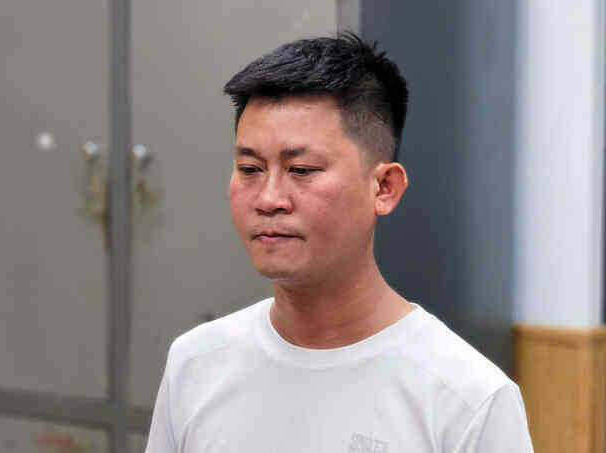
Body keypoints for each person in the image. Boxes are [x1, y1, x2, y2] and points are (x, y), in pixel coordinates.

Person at [145, 32, 534, 453]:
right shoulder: (195, 364)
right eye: (250, 168)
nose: (269, 199)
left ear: (384, 187)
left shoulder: (468, 402)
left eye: (302, 170)